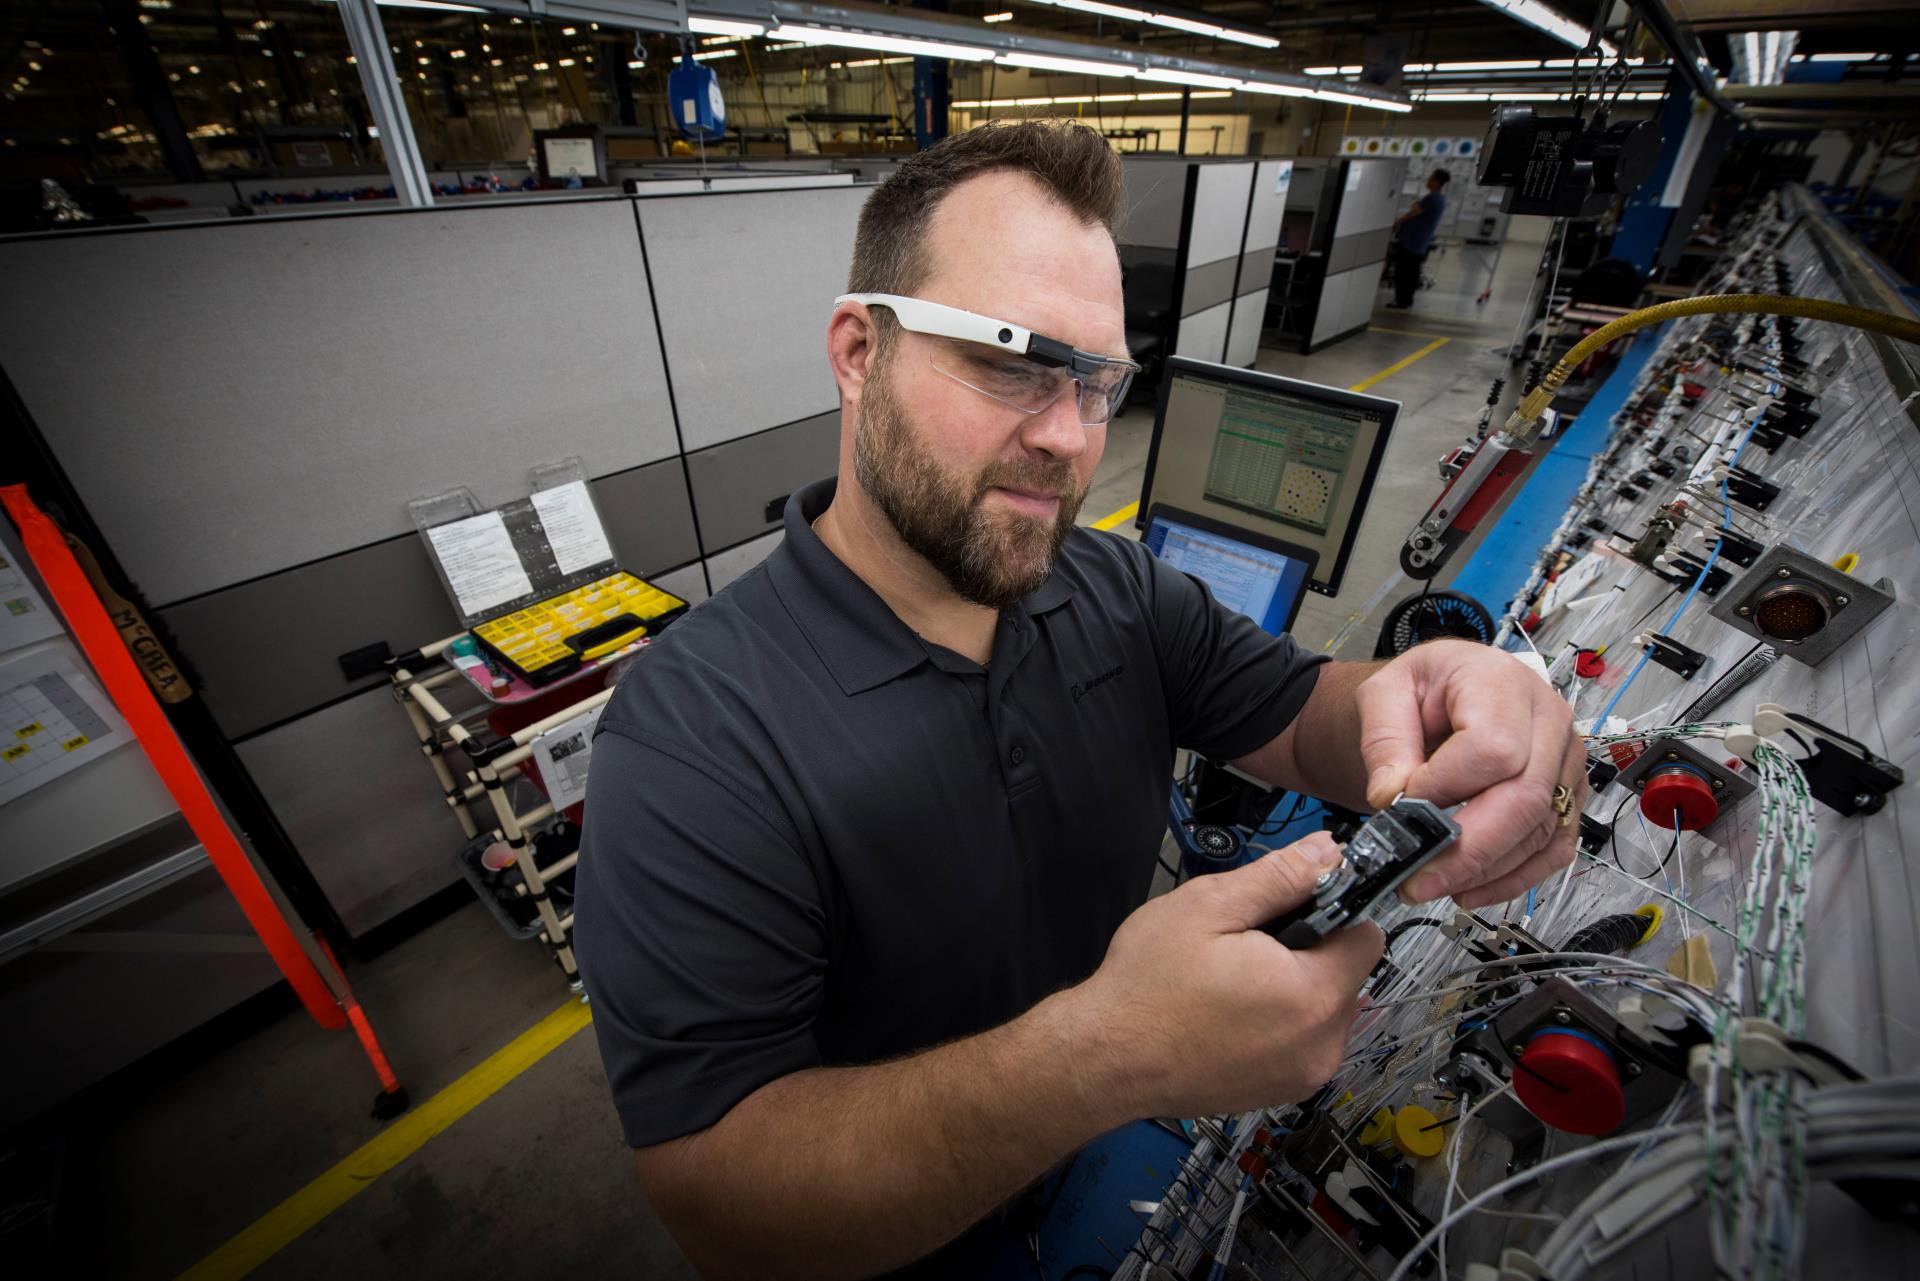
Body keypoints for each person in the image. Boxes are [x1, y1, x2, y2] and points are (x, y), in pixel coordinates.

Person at [575, 123, 1579, 1280]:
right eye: (1010, 360)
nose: (1066, 437)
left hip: (1091, 1171)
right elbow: (724, 1200)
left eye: (1098, 382)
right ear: (858, 351)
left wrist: (1455, 704)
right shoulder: (695, 739)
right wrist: (1105, 1056)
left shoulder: (1109, 586)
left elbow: (1305, 715)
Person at [1388, 168, 1451, 309]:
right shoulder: (1438, 199)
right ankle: (1405, 299)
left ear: (1436, 181)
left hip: (1412, 241)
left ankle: (1401, 300)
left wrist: (1396, 222)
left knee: (1404, 272)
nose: (1428, 180)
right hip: (1418, 242)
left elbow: (1412, 213)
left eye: (1431, 178)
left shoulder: (1432, 199)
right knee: (1410, 272)